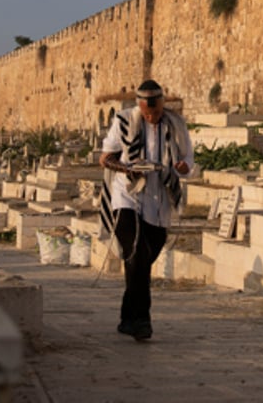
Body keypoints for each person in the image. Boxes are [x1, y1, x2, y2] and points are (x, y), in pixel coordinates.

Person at [99, 79, 193, 341]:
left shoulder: (175, 124)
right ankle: (142, 321)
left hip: (159, 198)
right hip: (126, 197)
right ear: (140, 107)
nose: (153, 118)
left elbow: (187, 157)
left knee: (141, 260)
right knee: (138, 253)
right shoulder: (124, 121)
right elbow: (105, 158)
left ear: (163, 105)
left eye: (157, 112)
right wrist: (128, 169)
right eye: (148, 113)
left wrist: (183, 167)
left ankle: (127, 318)